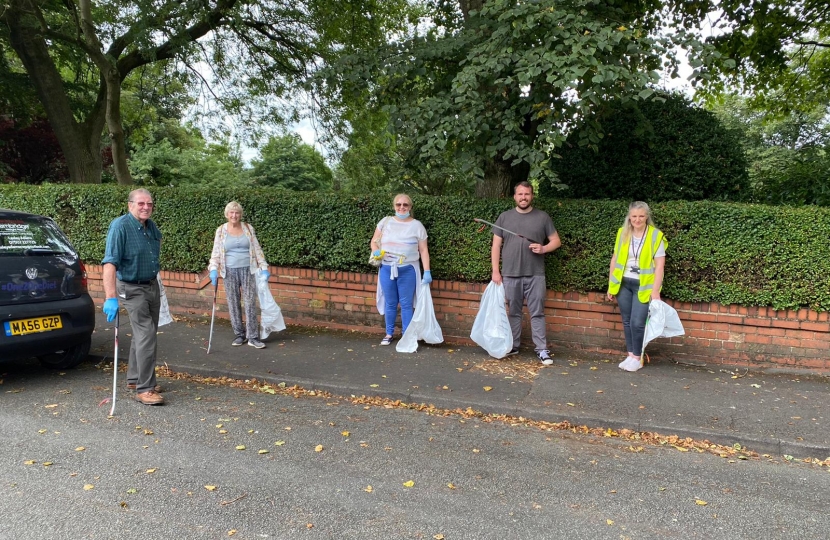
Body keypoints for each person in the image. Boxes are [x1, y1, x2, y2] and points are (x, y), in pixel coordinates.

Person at [102, 188, 164, 406]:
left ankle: (134, 378)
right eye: (141, 203)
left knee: (144, 334)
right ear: (130, 205)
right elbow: (110, 262)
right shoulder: (120, 226)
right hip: (130, 287)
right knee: (146, 334)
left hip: (151, 286)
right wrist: (111, 297)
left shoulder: (151, 226)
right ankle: (145, 389)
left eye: (149, 203)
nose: (146, 207)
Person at [491, 181, 561, 365]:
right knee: (513, 312)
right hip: (510, 274)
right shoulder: (504, 217)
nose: (524, 197)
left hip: (535, 274)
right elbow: (496, 245)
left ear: (532, 196)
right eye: (520, 194)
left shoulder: (542, 217)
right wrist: (495, 272)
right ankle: (513, 346)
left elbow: (556, 241)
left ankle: (541, 349)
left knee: (537, 313)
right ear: (514, 196)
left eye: (527, 194)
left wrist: (543, 248)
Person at [606, 201, 667, 372]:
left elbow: (660, 266)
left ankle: (638, 356)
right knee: (626, 321)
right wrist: (611, 284)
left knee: (637, 322)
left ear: (647, 216)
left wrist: (655, 291)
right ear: (629, 217)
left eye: (641, 216)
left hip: (644, 285)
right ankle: (630, 355)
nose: (637, 219)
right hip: (623, 283)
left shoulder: (656, 235)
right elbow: (615, 258)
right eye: (634, 216)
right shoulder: (622, 233)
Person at [370, 194, 431, 346]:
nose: (401, 207)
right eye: (398, 204)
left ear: (410, 207)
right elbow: (373, 241)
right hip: (387, 268)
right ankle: (389, 333)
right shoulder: (385, 222)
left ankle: (407, 334)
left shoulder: (417, 226)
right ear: (394, 206)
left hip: (408, 269)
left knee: (406, 303)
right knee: (390, 302)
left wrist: (427, 271)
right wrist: (375, 250)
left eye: (405, 205)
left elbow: (423, 250)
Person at [208, 201, 270, 349]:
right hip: (229, 270)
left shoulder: (248, 228)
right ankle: (239, 334)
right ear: (227, 214)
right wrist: (213, 269)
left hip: (248, 269)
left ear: (240, 214)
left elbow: (256, 249)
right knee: (233, 302)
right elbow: (216, 252)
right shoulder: (221, 230)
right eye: (231, 212)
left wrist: (264, 266)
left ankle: (253, 337)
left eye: (237, 213)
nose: (234, 215)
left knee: (249, 302)